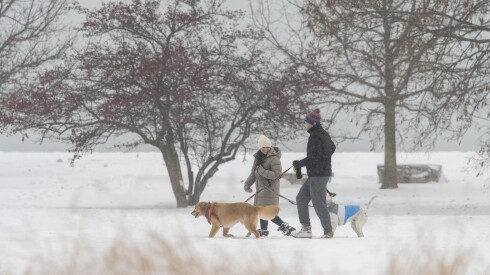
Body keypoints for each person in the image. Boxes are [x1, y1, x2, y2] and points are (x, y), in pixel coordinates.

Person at [291, 108, 336, 238]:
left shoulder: (316, 137)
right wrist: (325, 159)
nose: (305, 125)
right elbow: (332, 147)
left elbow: (314, 158)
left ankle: (328, 231)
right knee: (301, 199)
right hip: (316, 174)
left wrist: (300, 164)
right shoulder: (322, 134)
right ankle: (306, 229)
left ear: (312, 123)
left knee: (318, 202)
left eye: (306, 122)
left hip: (319, 175)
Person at [243, 135, 296, 237]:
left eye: (267, 147)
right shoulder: (258, 158)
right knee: (262, 211)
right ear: (259, 148)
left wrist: (262, 171)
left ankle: (285, 227)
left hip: (270, 190)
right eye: (263, 147)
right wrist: (247, 183)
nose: (266, 149)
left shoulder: (274, 159)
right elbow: (254, 173)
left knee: (267, 212)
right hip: (261, 190)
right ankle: (263, 230)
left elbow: (277, 175)